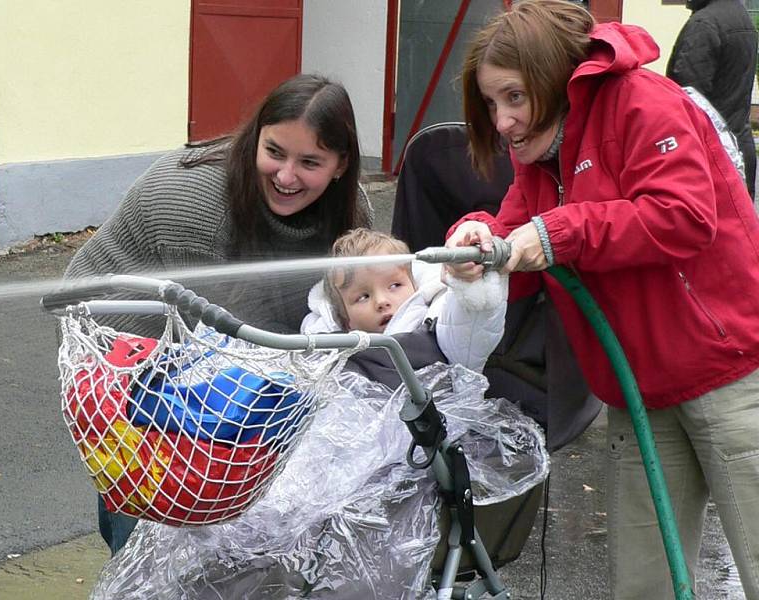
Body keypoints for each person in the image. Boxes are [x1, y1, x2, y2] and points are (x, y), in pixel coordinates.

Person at [445, 1, 759, 598]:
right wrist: (475, 242)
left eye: (513, 97)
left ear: (552, 76)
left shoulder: (644, 101)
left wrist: (560, 234)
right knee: (644, 584)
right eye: (491, 104)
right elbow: (517, 246)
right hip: (639, 390)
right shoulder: (540, 152)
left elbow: (685, 217)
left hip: (728, 372)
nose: (503, 120)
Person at [63, 73, 373, 556]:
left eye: (309, 162)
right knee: (153, 540)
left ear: (340, 166)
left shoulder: (351, 218)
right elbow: (224, 348)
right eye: (274, 152)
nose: (287, 176)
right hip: (128, 365)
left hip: (225, 378)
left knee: (239, 544)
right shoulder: (195, 203)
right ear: (255, 139)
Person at [301, 227, 507, 383]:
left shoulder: (438, 326)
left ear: (414, 285)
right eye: (363, 297)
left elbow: (472, 327)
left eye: (394, 285)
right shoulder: (328, 351)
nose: (381, 302)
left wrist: (469, 284)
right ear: (346, 321)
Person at [667, 0, 758, 201]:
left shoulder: (705, 24)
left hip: (711, 152)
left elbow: (686, 96)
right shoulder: (740, 16)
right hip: (738, 142)